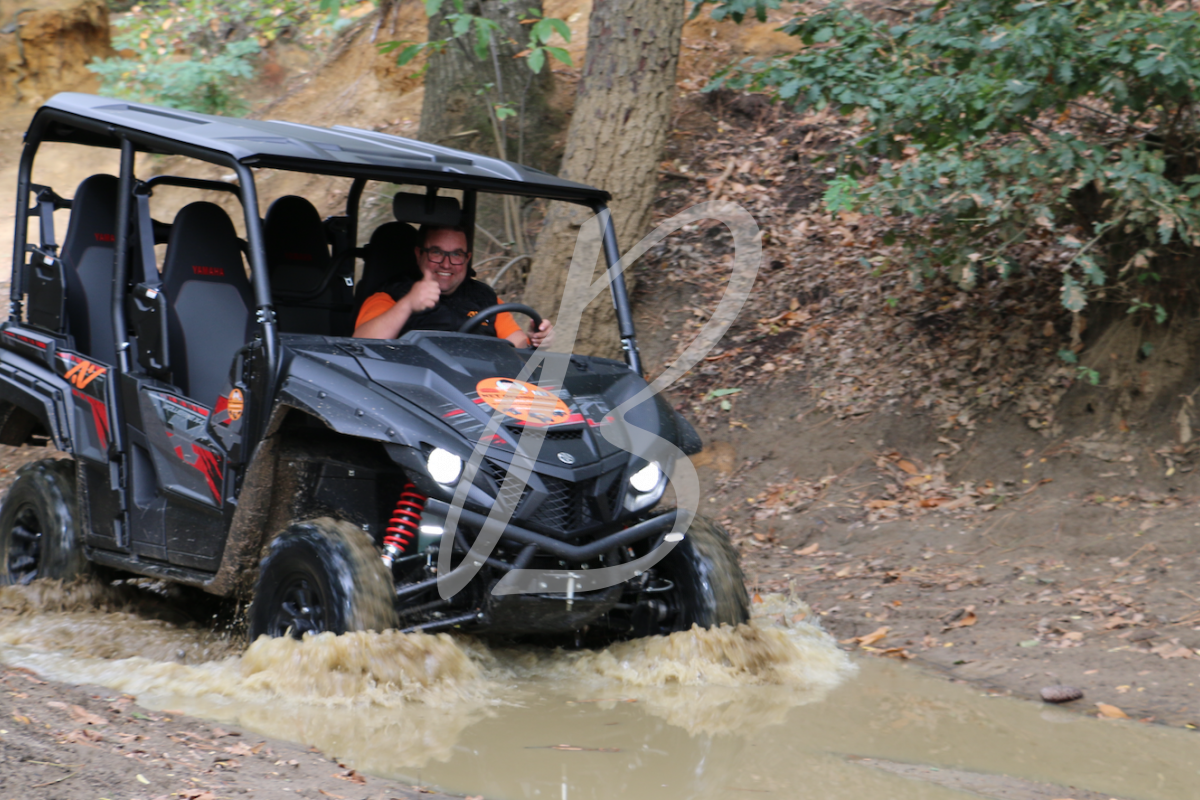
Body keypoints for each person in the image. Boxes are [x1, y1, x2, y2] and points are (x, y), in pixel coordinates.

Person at [353, 224, 554, 348]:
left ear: (467, 259)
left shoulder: (486, 299)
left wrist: (537, 340)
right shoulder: (390, 296)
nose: (447, 264)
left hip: (480, 392)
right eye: (436, 252)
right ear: (419, 254)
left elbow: (518, 346)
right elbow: (360, 345)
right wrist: (407, 305)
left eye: (456, 254)